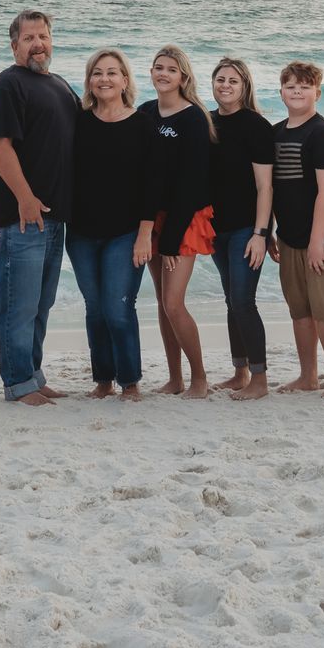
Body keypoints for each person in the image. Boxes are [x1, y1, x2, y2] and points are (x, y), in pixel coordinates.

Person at [0, 9, 80, 408]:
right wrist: (25, 198)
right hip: (21, 217)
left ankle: (34, 375)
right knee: (19, 305)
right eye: (29, 38)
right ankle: (18, 383)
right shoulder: (8, 85)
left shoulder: (58, 84)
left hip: (54, 217)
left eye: (43, 36)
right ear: (14, 46)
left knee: (42, 303)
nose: (38, 44)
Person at [66, 48, 154, 402]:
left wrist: (145, 234)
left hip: (126, 233)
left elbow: (152, 184)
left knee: (118, 309)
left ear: (125, 80)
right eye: (97, 73)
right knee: (95, 309)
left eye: (112, 72)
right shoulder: (79, 122)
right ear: (89, 81)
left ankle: (130, 381)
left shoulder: (142, 124)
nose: (104, 78)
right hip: (82, 233)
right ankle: (103, 379)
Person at [269, 60, 324, 397]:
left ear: (317, 92)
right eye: (291, 86)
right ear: (281, 92)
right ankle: (308, 375)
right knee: (300, 309)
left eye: (305, 86)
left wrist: (317, 242)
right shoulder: (275, 133)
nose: (297, 91)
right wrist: (272, 231)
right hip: (289, 238)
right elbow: (272, 189)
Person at [140, 45, 215, 399]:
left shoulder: (194, 118)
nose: (163, 74)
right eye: (158, 67)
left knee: (173, 301)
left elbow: (192, 183)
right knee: (160, 301)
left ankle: (199, 378)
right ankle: (175, 378)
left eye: (171, 69)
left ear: (183, 77)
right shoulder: (144, 113)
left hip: (184, 219)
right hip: (152, 219)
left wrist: (170, 239)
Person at [207, 57, 274, 400]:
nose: (226, 85)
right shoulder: (208, 122)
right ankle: (240, 372)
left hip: (247, 229)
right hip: (216, 230)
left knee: (244, 301)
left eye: (233, 80)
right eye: (220, 79)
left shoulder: (256, 126)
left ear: (245, 86)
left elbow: (265, 186)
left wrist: (261, 234)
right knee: (231, 300)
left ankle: (259, 381)